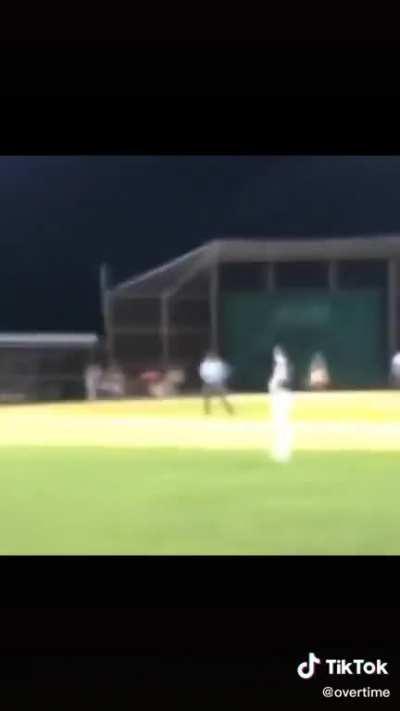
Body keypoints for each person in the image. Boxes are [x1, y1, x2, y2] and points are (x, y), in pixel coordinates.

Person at [268, 345, 293, 462]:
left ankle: (283, 452)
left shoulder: (282, 365)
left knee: (282, 423)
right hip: (278, 395)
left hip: (281, 395)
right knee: (279, 424)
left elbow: (284, 381)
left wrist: (275, 386)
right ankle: (279, 450)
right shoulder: (280, 365)